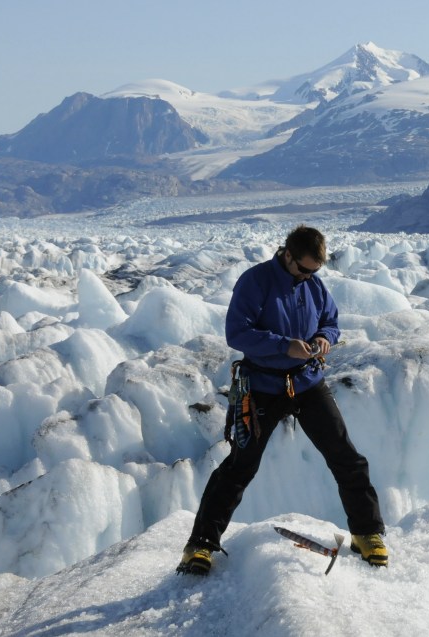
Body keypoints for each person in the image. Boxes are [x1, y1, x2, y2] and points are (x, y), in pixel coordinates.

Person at [177, 225, 387, 575]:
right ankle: (199, 546)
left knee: (346, 457)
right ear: (287, 254)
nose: (308, 276)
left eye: (314, 271)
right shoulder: (255, 281)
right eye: (303, 269)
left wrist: (323, 338)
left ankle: (367, 533)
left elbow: (331, 322)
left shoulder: (314, 285)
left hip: (307, 382)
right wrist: (282, 345)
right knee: (240, 467)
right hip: (263, 385)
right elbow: (237, 331)